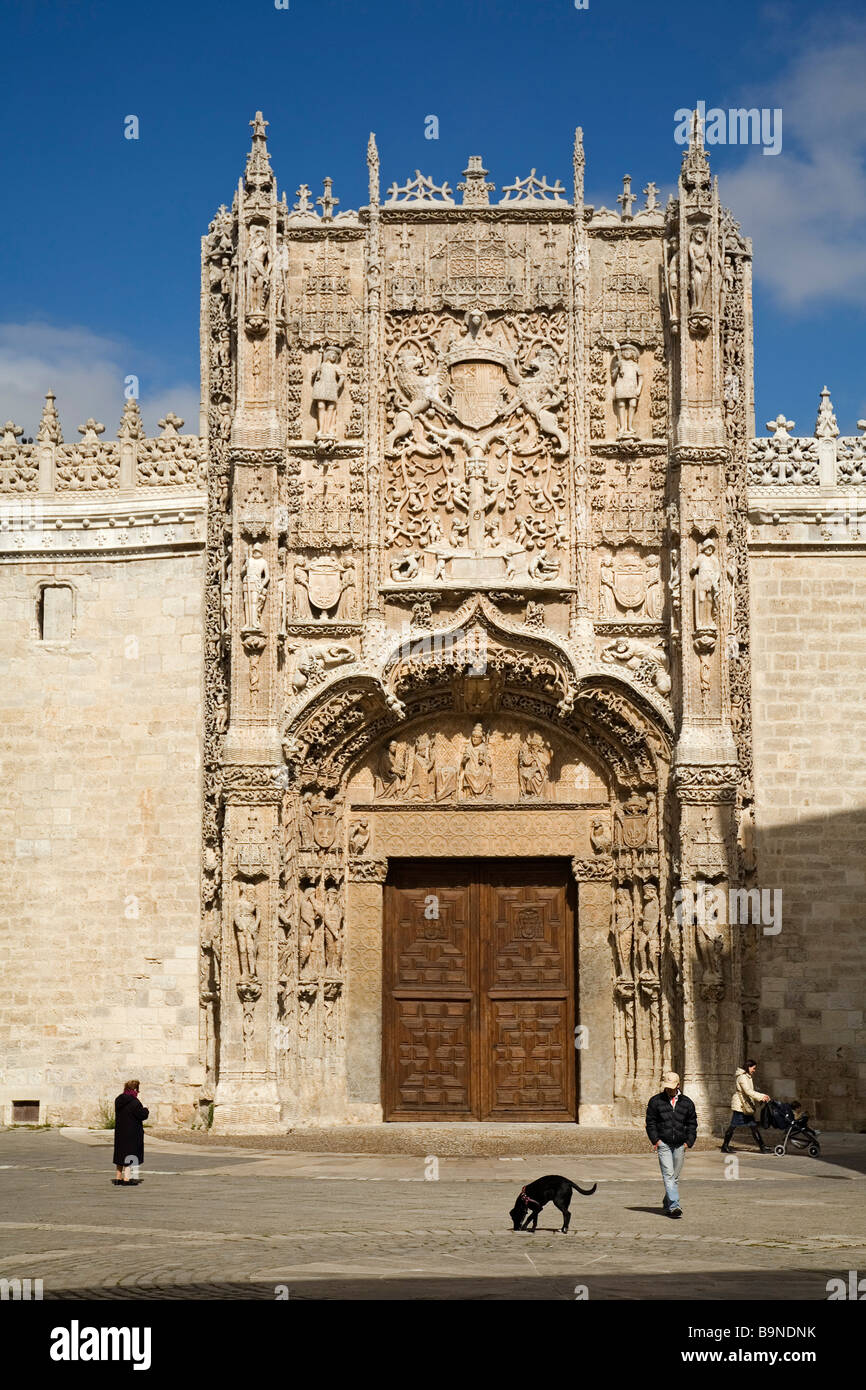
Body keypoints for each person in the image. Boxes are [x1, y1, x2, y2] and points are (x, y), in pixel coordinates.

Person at [645, 1071, 698, 1218]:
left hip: (680, 1144)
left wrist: (689, 1141)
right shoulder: (655, 1101)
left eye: (672, 1087)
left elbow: (692, 1123)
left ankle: (667, 1201)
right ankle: (675, 1206)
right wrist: (656, 1140)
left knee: (674, 1177)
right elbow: (650, 1123)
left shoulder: (687, 1102)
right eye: (667, 1086)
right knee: (668, 1175)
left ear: (678, 1085)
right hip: (664, 1143)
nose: (669, 1089)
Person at [721, 1059, 770, 1154]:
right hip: (740, 1106)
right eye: (753, 1068)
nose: (754, 1070)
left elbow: (749, 1091)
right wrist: (761, 1096)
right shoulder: (742, 1077)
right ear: (748, 1067)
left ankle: (762, 1147)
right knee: (733, 1126)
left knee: (753, 1126)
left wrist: (760, 1097)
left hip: (745, 1106)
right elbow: (747, 1091)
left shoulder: (747, 1077)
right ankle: (725, 1146)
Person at [113, 1080, 149, 1186]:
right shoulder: (135, 1102)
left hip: (120, 1131)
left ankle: (118, 1177)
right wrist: (146, 1109)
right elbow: (142, 1115)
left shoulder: (118, 1100)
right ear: (135, 1089)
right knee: (130, 1153)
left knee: (120, 1153)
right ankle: (127, 1178)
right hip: (132, 1132)